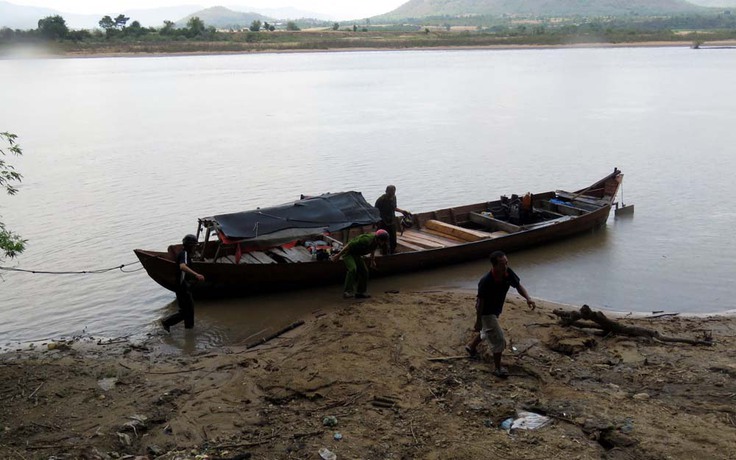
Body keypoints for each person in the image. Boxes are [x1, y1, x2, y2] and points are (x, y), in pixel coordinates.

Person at [465, 251, 536, 377]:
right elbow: (481, 302)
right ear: (494, 265)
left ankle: (471, 347)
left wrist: (528, 298)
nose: (505, 266)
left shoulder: (508, 273)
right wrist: (478, 320)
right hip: (486, 312)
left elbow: (518, 286)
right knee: (499, 339)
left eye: (506, 263)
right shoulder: (486, 281)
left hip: (496, 309)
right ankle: (497, 368)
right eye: (502, 264)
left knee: (487, 331)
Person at [161, 234, 205, 332]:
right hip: (182, 287)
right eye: (194, 246)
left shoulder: (186, 254)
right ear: (190, 246)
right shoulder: (184, 254)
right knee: (186, 311)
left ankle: (189, 331)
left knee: (189, 310)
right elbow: (182, 266)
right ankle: (167, 322)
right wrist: (196, 274)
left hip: (184, 286)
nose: (194, 248)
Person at [330, 229, 389, 299]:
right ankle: (347, 292)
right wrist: (338, 255)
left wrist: (372, 261)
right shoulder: (366, 240)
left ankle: (360, 292)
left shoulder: (376, 242)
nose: (383, 243)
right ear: (378, 239)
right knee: (353, 269)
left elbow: (372, 249)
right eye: (383, 241)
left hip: (356, 254)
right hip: (348, 253)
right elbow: (349, 245)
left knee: (364, 271)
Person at [374, 185, 410, 254]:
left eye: (393, 192)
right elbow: (375, 211)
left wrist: (402, 211)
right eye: (390, 193)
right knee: (383, 238)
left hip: (391, 221)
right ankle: (383, 252)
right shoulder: (380, 200)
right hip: (383, 222)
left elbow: (394, 208)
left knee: (393, 239)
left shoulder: (394, 197)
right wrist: (376, 222)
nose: (392, 194)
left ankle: (392, 252)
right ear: (386, 191)